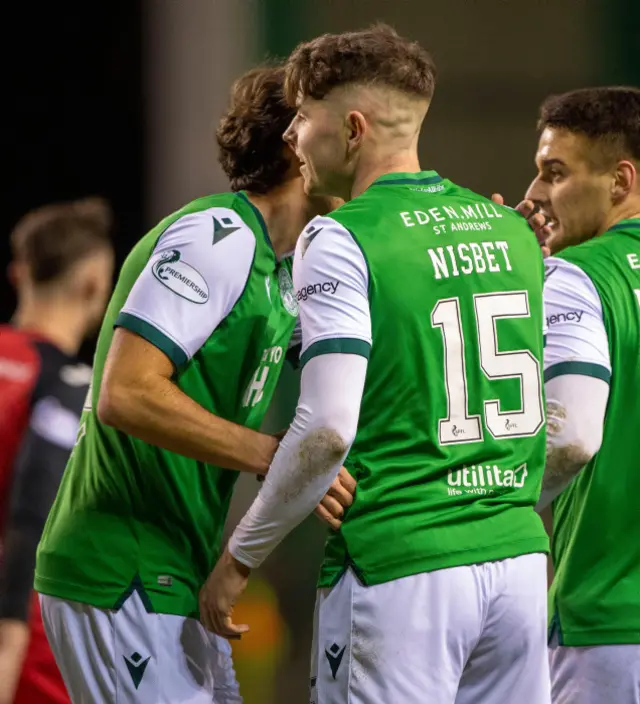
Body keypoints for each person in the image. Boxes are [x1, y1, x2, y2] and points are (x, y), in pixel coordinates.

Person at [205, 25, 551, 704]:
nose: (292, 137)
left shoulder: (339, 237)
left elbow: (328, 429)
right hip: (516, 566)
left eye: (303, 116)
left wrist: (240, 558)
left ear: (353, 127)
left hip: (401, 571)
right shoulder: (509, 228)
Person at [34, 64, 353, 703]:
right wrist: (274, 456)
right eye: (340, 125)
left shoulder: (284, 271)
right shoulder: (219, 238)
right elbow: (127, 392)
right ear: (297, 143)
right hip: (120, 568)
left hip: (177, 569)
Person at [525, 86, 640, 704]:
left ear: (619, 181)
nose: (537, 193)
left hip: (608, 620)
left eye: (555, 172)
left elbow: (569, 439)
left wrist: (496, 518)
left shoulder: (579, 275)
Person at [0, 197, 114, 704]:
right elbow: (33, 510)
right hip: (24, 643)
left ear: (18, 274)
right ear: (94, 284)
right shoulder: (73, 386)